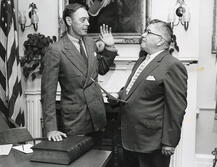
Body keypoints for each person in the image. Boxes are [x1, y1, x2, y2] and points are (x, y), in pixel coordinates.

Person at [108, 19, 188, 167]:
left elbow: (177, 108)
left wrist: (169, 142)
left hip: (152, 143)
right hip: (129, 138)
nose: (143, 35)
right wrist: (119, 96)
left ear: (159, 40)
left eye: (148, 32)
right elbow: (133, 88)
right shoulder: (141, 61)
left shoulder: (172, 65)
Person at [41, 3, 118, 142]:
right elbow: (48, 94)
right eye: (83, 20)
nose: (88, 23)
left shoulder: (90, 43)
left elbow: (101, 69)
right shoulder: (56, 50)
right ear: (69, 21)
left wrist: (110, 47)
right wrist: (51, 128)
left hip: (98, 117)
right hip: (76, 121)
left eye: (88, 19)